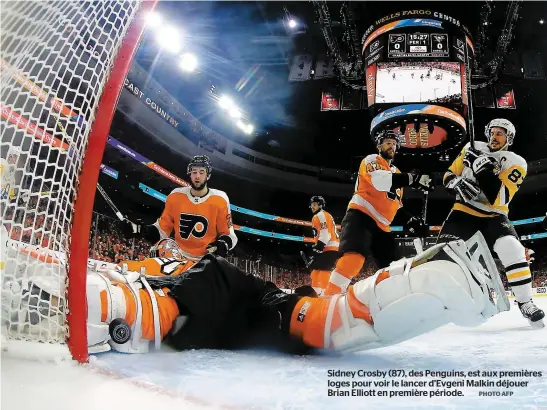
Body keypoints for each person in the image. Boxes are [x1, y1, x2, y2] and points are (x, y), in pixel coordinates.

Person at [6, 233, 511, 355]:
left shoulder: (144, 262)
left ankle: (431, 279)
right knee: (326, 323)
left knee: (316, 318)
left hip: (222, 288)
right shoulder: (123, 266)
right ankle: (434, 280)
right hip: (196, 297)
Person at [438, 118, 544, 327]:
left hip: (494, 214)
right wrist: (455, 182)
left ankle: (525, 302)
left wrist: (482, 168)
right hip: (463, 211)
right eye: (492, 132)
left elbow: (500, 198)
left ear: (509, 138)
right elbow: (449, 174)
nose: (494, 137)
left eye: (500, 134)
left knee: (512, 248)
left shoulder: (516, 162)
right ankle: (443, 301)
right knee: (443, 254)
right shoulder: (472, 147)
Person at [323, 130, 432, 296]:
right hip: (361, 215)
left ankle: (391, 300)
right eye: (388, 142)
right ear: (379, 145)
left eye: (395, 144)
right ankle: (328, 297)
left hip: (383, 226)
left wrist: (412, 221)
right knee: (353, 259)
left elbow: (396, 206)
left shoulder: (397, 173)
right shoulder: (372, 160)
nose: (392, 146)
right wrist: (412, 178)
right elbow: (381, 182)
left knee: (393, 268)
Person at [123, 155, 237, 259]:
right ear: (190, 173)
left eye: (202, 172)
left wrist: (223, 244)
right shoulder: (175, 196)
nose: (197, 176)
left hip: (206, 260)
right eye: (194, 172)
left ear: (208, 175)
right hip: (177, 257)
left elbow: (229, 235)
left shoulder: (220, 199)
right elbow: (162, 230)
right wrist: (139, 230)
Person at [305, 196, 340, 296]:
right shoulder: (320, 215)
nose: (312, 207)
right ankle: (316, 294)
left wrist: (318, 247)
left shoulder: (321, 215)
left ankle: (327, 295)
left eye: (315, 205)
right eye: (311, 205)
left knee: (323, 270)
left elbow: (326, 234)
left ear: (320, 205)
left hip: (330, 247)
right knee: (315, 272)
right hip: (327, 247)